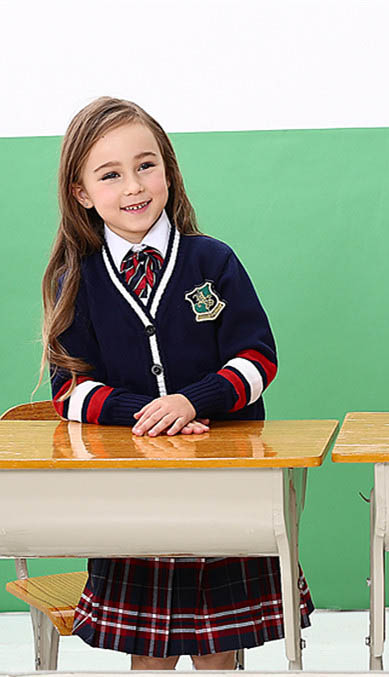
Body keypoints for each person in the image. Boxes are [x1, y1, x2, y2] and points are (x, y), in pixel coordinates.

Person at [41, 96, 313, 669]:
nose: (134, 186)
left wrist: (193, 401)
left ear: (167, 169)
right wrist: (150, 413)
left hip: (225, 484)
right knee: (151, 657)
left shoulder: (212, 261)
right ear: (82, 193)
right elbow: (70, 392)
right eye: (110, 175)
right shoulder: (78, 280)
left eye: (146, 165)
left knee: (219, 651)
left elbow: (257, 360)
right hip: (135, 496)